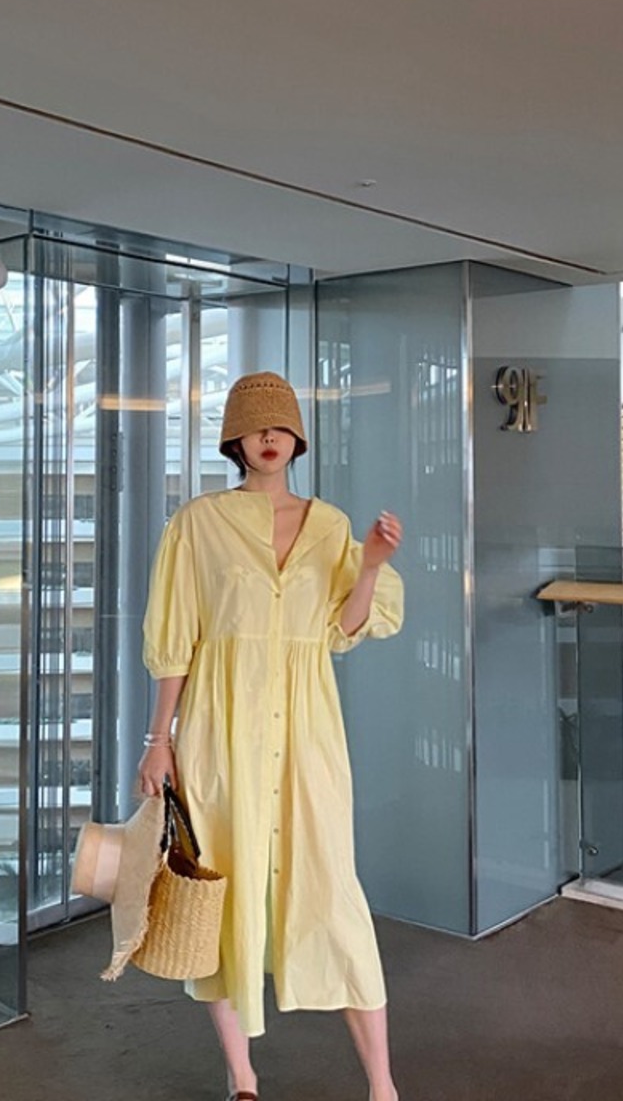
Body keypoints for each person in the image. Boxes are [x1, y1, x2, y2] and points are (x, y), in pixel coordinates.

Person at [138, 371, 404, 1101]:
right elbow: (177, 639)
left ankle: (383, 1085)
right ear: (235, 439)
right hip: (220, 735)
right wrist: (158, 740)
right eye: (255, 426)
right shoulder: (198, 523)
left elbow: (342, 630)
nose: (268, 437)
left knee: (332, 894)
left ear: (296, 439)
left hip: (310, 733)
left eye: (280, 426)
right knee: (222, 900)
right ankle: (243, 1077)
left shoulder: (329, 526)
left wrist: (369, 566)